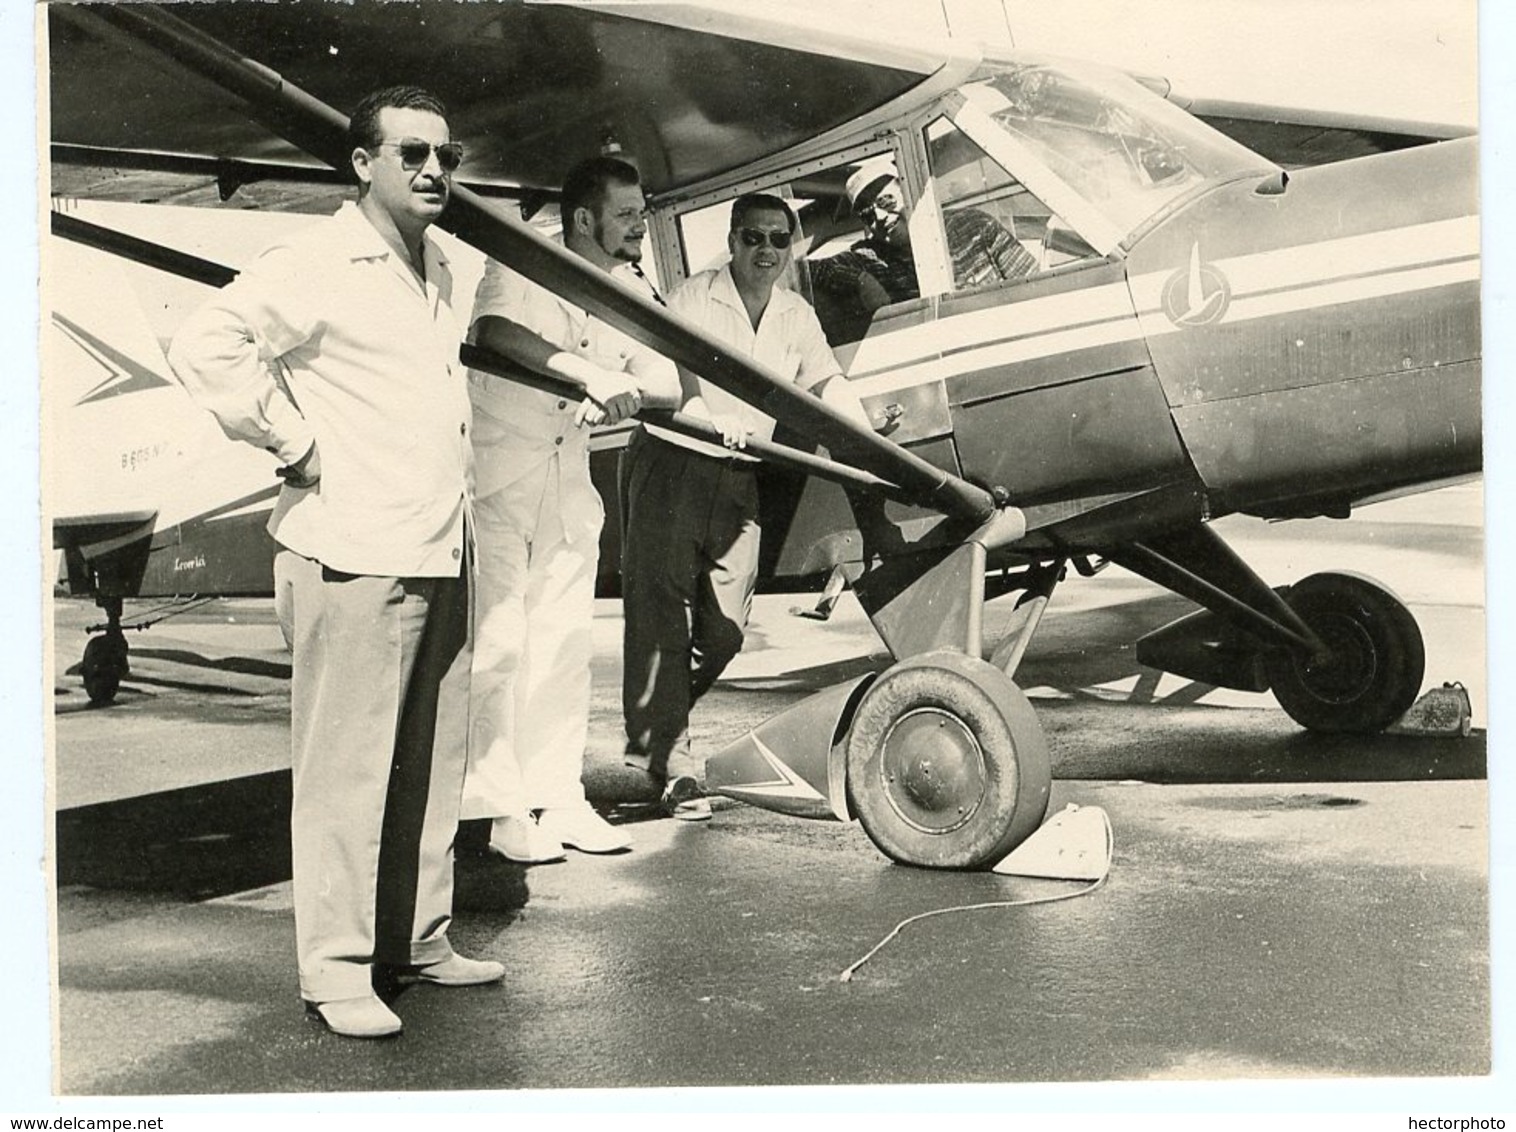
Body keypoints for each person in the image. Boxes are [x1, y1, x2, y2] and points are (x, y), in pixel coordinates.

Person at [167, 86, 501, 1040]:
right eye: (412, 155)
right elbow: (206, 342)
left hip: (439, 542)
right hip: (351, 548)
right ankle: (339, 970)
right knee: (346, 774)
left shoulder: (442, 263)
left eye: (445, 154)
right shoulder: (317, 259)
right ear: (364, 165)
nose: (435, 170)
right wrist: (293, 445)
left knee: (432, 767)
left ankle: (419, 940)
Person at [461, 157, 680, 862]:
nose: (638, 229)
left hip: (565, 479)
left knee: (560, 647)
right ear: (583, 219)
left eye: (642, 214)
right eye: (626, 215)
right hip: (498, 476)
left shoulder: (629, 289)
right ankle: (500, 812)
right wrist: (587, 371)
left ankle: (559, 798)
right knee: (497, 645)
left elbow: (667, 383)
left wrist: (627, 384)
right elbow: (497, 333)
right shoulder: (525, 261)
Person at [620, 193, 866, 818]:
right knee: (664, 619)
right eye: (752, 237)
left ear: (791, 247)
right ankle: (673, 763)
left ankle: (653, 734)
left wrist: (864, 434)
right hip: (674, 458)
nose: (765, 250)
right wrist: (705, 420)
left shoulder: (793, 313)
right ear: (731, 241)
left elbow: (825, 380)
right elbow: (677, 382)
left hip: (738, 471)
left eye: (778, 240)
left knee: (727, 629)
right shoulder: (693, 297)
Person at [809, 156, 1037, 317]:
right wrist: (861, 280)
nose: (878, 216)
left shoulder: (974, 225)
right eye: (867, 215)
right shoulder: (868, 257)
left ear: (907, 192)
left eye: (886, 201)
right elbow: (808, 272)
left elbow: (1035, 284)